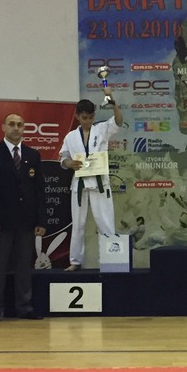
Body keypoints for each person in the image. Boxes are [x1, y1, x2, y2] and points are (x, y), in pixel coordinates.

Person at [0, 113, 48, 323]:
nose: (16, 128)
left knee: (24, 268)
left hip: (26, 222)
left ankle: (24, 307)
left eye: (20, 124)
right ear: (3, 127)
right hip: (1, 223)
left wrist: (41, 220)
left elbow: (39, 190)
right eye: (12, 124)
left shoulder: (32, 155)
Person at [59, 96, 123, 270]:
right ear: (77, 116)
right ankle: (75, 261)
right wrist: (69, 163)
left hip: (99, 183)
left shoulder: (101, 129)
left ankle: (112, 261)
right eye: (84, 117)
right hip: (79, 185)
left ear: (94, 116)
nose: (87, 121)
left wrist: (114, 105)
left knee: (106, 222)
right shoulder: (71, 137)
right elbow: (63, 157)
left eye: (90, 117)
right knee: (78, 224)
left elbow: (118, 121)